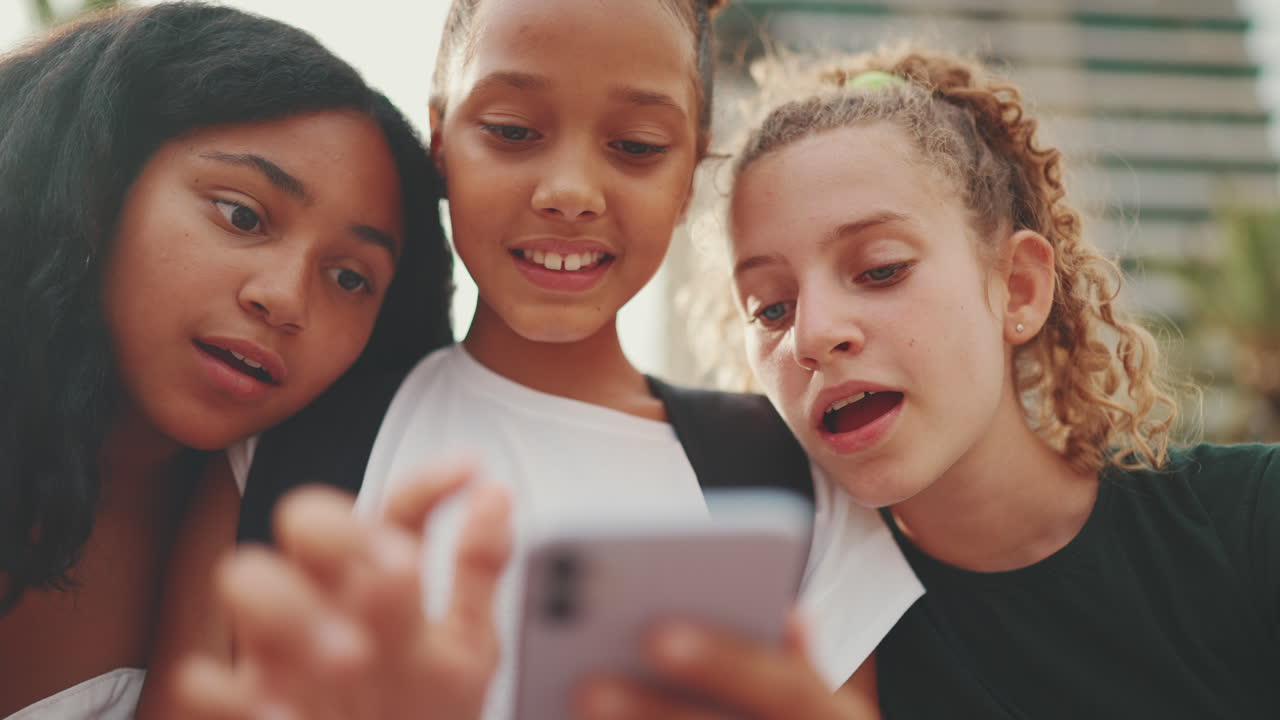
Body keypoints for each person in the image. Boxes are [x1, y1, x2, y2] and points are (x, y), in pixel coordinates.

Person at [165, 2, 923, 719]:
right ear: (438, 138)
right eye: (511, 130)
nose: (569, 192)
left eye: (636, 146)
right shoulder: (281, 454)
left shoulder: (794, 482)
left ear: (691, 172)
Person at [572, 46, 1279, 719]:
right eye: (772, 308)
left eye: (880, 269)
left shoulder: (1251, 521)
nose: (812, 334)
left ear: (1020, 289)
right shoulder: (785, 642)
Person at [0, 3, 474, 718]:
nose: (285, 299)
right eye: (242, 215)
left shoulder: (289, 528)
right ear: (100, 184)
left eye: (350, 277)